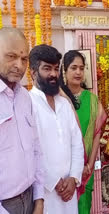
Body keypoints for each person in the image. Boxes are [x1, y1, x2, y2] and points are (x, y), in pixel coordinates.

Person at [29, 44, 84, 213]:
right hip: (45, 192)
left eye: (55, 68)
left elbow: (77, 143)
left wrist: (74, 177)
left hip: (69, 190)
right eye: (47, 68)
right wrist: (54, 181)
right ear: (32, 72)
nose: (53, 74)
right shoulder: (28, 103)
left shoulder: (64, 104)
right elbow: (30, 151)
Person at [0, 28, 44, 214]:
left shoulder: (25, 97)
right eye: (11, 56)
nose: (19, 65)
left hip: (30, 198)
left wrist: (39, 198)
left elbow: (36, 149)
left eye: (24, 58)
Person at [59, 50, 107, 214]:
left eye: (81, 68)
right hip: (63, 171)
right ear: (64, 71)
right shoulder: (58, 98)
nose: (78, 72)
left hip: (86, 170)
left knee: (84, 208)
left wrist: (90, 164)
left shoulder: (92, 100)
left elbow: (96, 133)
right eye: (73, 68)